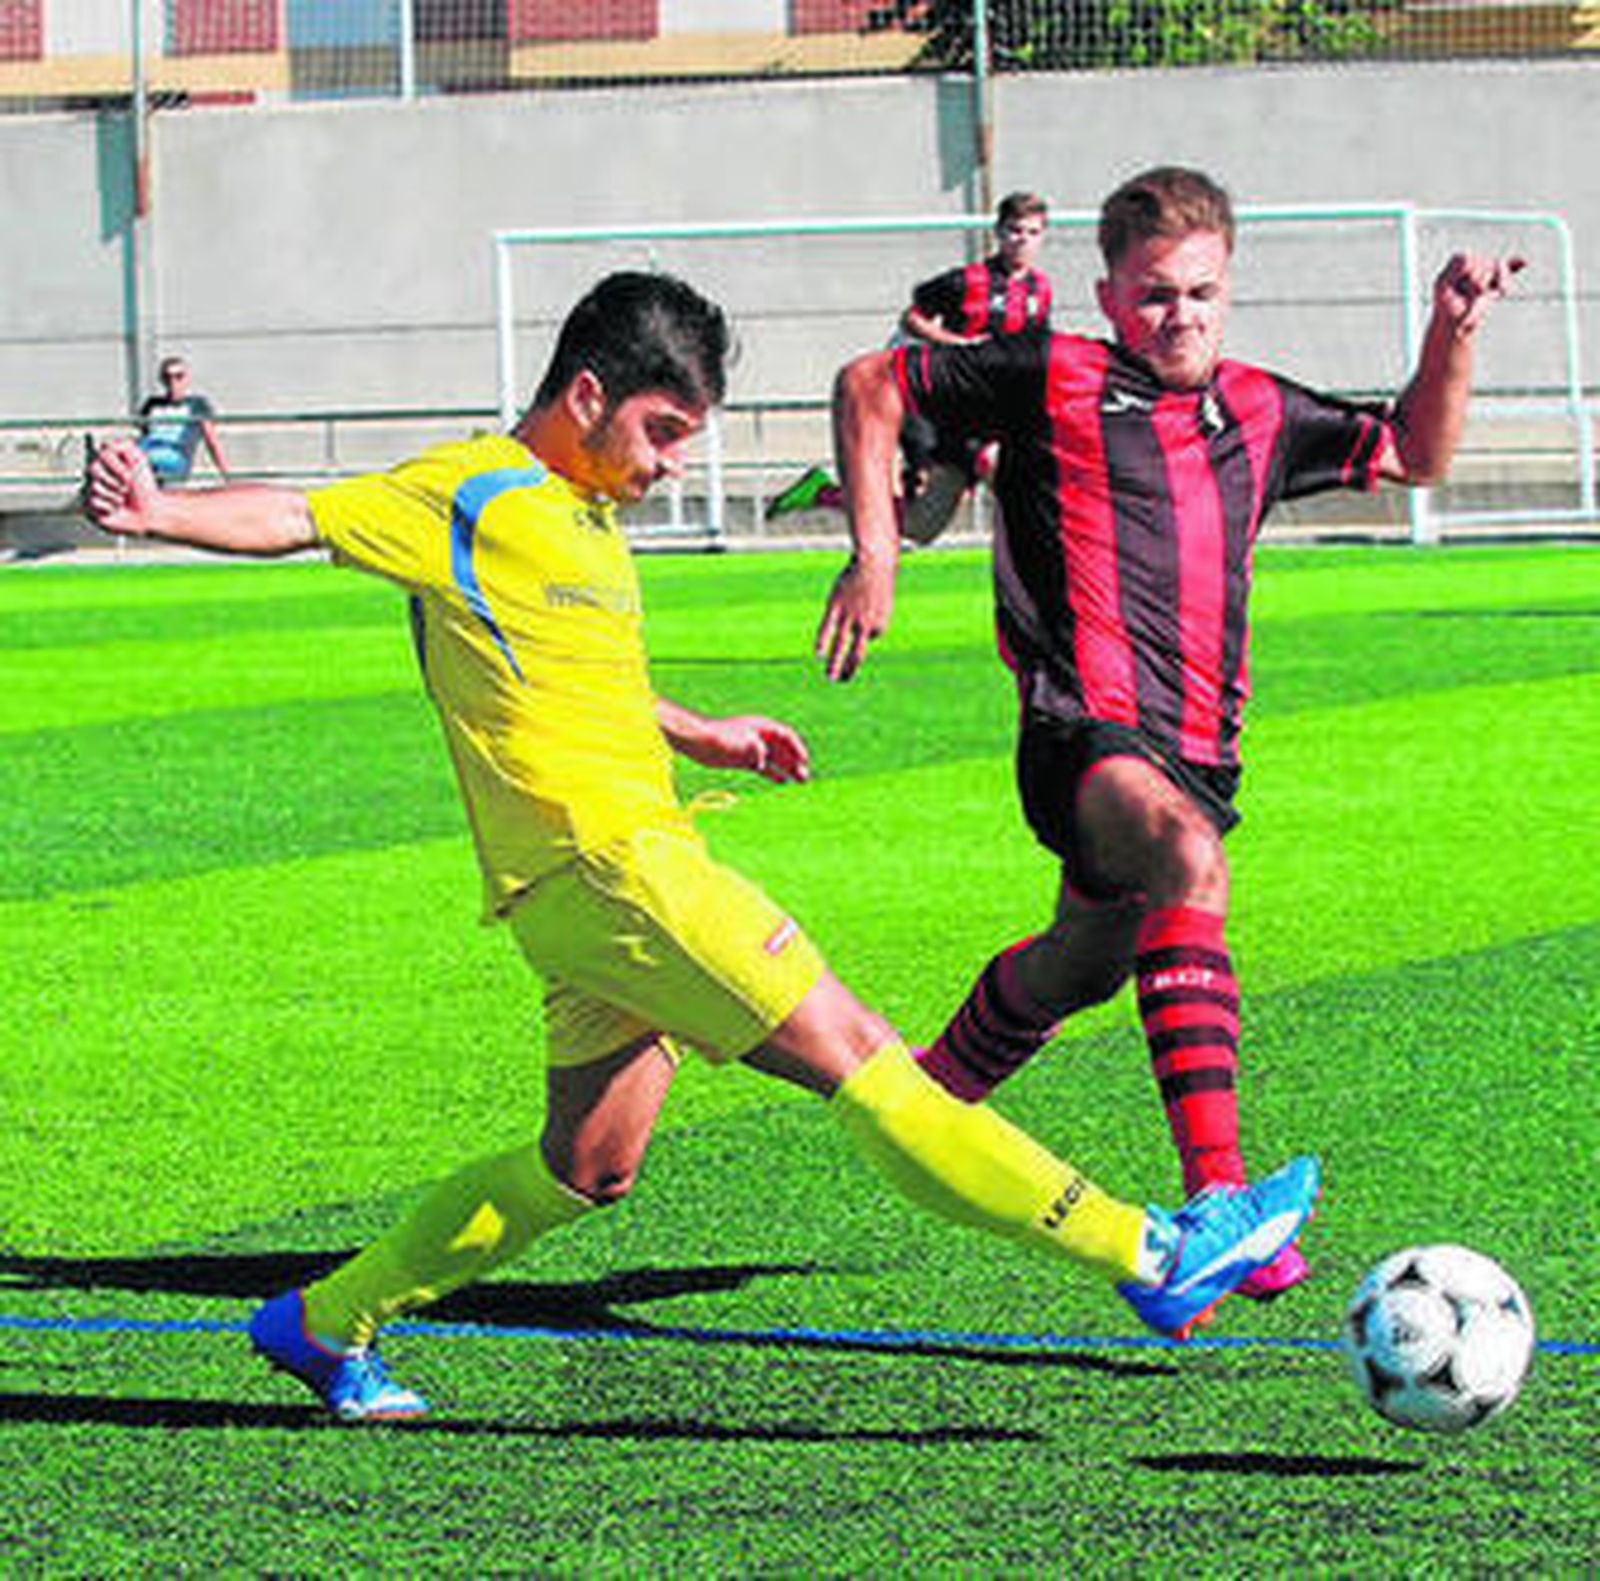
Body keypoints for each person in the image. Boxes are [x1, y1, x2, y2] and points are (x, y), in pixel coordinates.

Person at [84, 270, 1318, 1423]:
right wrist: (159, 510)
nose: (673, 463)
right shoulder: (470, 493)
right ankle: (1151, 1254)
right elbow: (298, 513)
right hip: (616, 870)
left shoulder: (580, 514)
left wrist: (698, 732)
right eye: (663, 431)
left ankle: (323, 1322)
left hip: (583, 892)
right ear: (586, 396)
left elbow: (570, 677)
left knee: (586, 1167)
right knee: (863, 1058)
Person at [818, 168, 1520, 1304]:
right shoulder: (1054, 372)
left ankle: (918, 1106)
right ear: (1108, 297)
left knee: (1084, 962)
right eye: (1153, 295)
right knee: (1187, 859)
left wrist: (1452, 331)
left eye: (1199, 292)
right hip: (1078, 731)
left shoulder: (1259, 409)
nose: (1178, 316)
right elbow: (870, 385)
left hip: (1194, 753)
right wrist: (877, 555)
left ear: (1227, 289)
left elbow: (1413, 453)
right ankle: (1218, 1203)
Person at [766, 191, 1052, 542]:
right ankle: (1037, 564)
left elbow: (1036, 349)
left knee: (919, 528)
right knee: (1005, 473)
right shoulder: (966, 280)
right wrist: (959, 344)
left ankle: (821, 493)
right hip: (962, 414)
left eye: (1032, 233)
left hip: (1002, 412)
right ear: (998, 232)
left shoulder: (1041, 289)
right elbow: (913, 319)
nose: (1022, 240)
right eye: (1015, 230)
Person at [137, 355, 231, 483]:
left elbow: (212, 442)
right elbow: (144, 435)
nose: (173, 382)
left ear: (186, 378)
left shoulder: (197, 405)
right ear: (162, 380)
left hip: (174, 458)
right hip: (145, 455)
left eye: (179, 376)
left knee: (139, 462)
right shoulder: (152, 404)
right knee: (117, 451)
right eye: (167, 377)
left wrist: (227, 476)